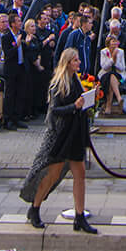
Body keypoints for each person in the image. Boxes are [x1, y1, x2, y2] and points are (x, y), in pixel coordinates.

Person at [19, 47, 97, 233]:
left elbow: (79, 104)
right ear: (68, 63)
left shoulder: (76, 81)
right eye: (76, 60)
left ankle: (79, 217)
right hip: (61, 135)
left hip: (75, 133)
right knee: (52, 174)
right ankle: (35, 207)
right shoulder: (58, 84)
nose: (79, 63)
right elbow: (54, 111)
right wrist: (74, 106)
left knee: (80, 175)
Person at [97, 33, 126, 116]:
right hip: (104, 76)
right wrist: (112, 59)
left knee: (111, 77)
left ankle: (108, 106)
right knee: (109, 76)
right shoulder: (103, 52)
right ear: (108, 43)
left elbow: (122, 68)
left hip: (120, 78)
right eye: (112, 41)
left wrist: (116, 60)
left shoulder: (121, 52)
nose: (114, 44)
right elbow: (104, 67)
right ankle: (118, 98)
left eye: (115, 42)